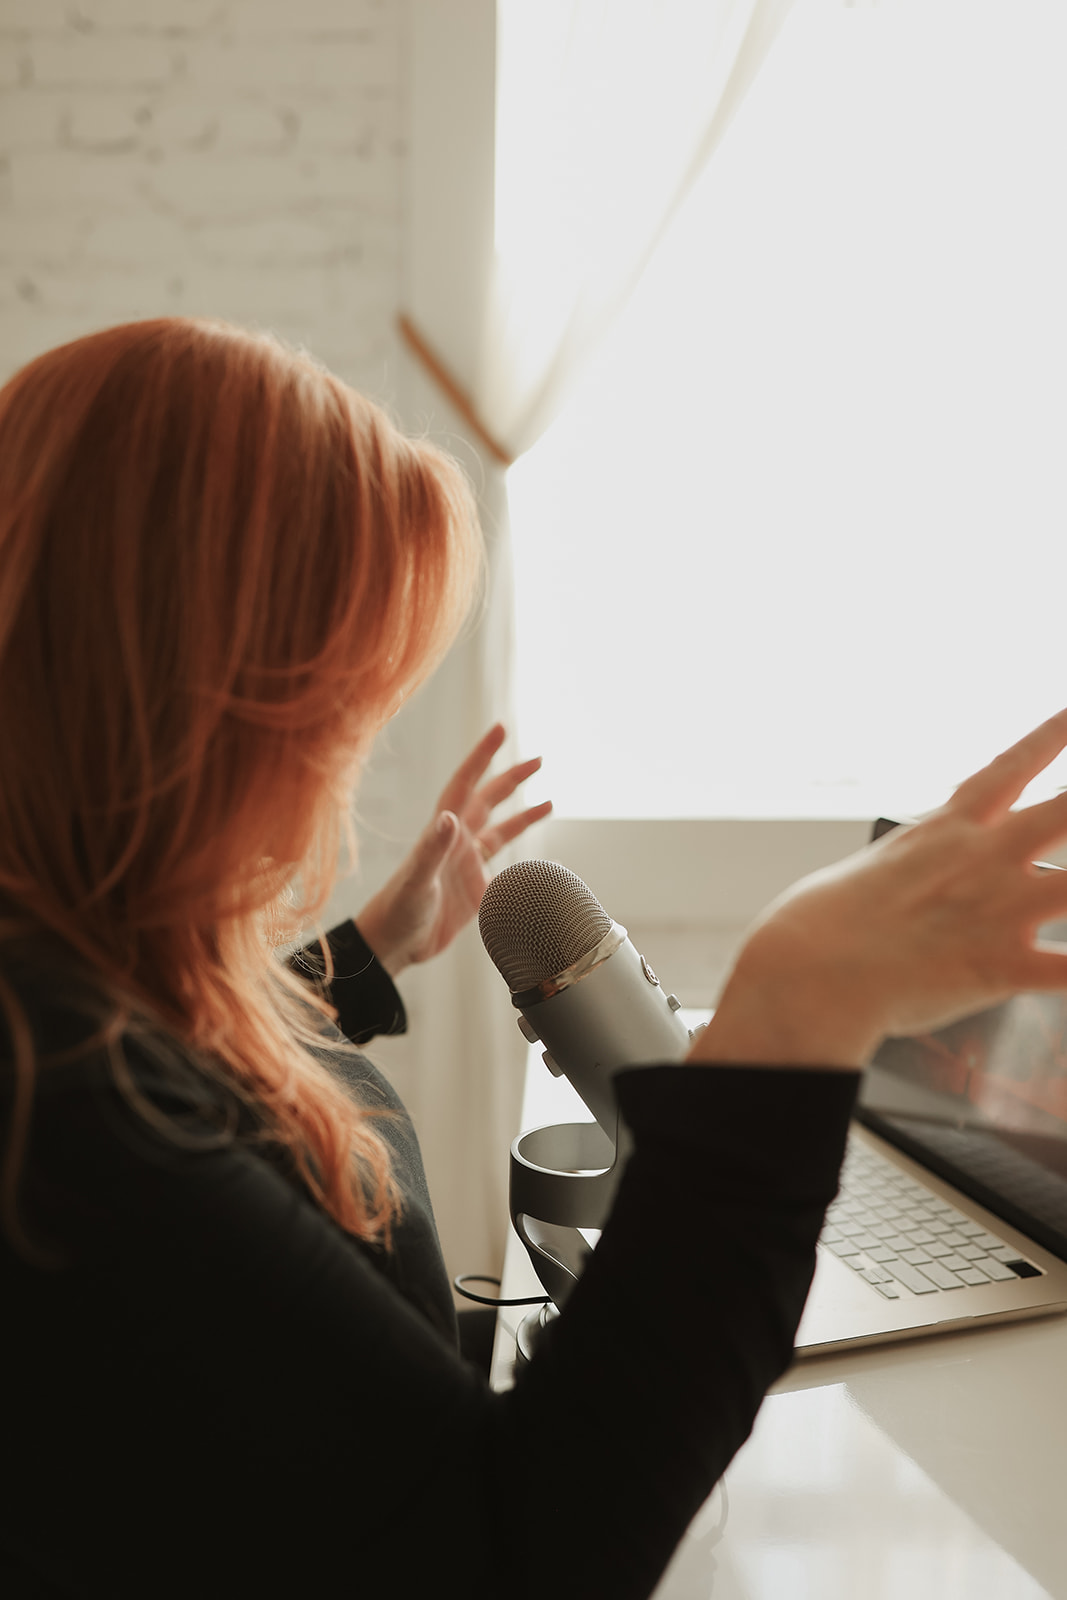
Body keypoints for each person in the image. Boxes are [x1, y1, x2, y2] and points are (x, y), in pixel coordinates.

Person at [2, 318, 1067, 1600]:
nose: (347, 758)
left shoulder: (66, 991)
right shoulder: (59, 1115)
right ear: (194, 696)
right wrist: (793, 1006)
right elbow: (517, 1555)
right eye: (339, 702)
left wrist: (369, 953)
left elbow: (191, 1114)